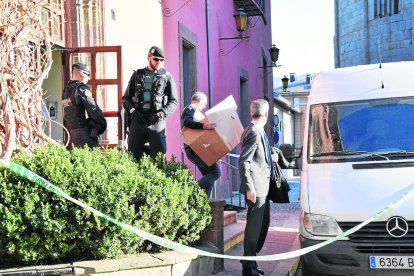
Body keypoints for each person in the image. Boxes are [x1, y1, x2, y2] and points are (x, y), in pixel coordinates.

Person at [122, 46, 178, 161]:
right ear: (149, 57)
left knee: (158, 158)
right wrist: (133, 112)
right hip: (138, 119)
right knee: (133, 158)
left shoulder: (166, 76)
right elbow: (125, 98)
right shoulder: (137, 75)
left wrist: (160, 114)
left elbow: (174, 102)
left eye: (161, 60)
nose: (159, 62)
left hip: (156, 120)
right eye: (156, 59)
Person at [238, 99, 272, 276]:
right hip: (256, 189)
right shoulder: (253, 131)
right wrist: (249, 187)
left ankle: (251, 263)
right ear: (265, 114)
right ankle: (248, 268)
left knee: (261, 227)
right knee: (253, 230)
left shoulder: (257, 131)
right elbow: (244, 161)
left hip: (262, 188)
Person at [181, 92, 221, 196]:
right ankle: (190, 191)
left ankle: (203, 205)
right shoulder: (190, 108)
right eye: (204, 103)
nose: (205, 106)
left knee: (209, 176)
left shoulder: (194, 111)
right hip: (195, 150)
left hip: (197, 150)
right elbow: (187, 122)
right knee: (216, 173)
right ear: (198, 100)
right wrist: (204, 126)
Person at [62, 62, 107, 150]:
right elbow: (93, 109)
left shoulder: (66, 89)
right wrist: (102, 124)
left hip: (69, 133)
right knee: (89, 160)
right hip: (82, 134)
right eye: (88, 75)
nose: (88, 78)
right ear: (81, 73)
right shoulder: (81, 89)